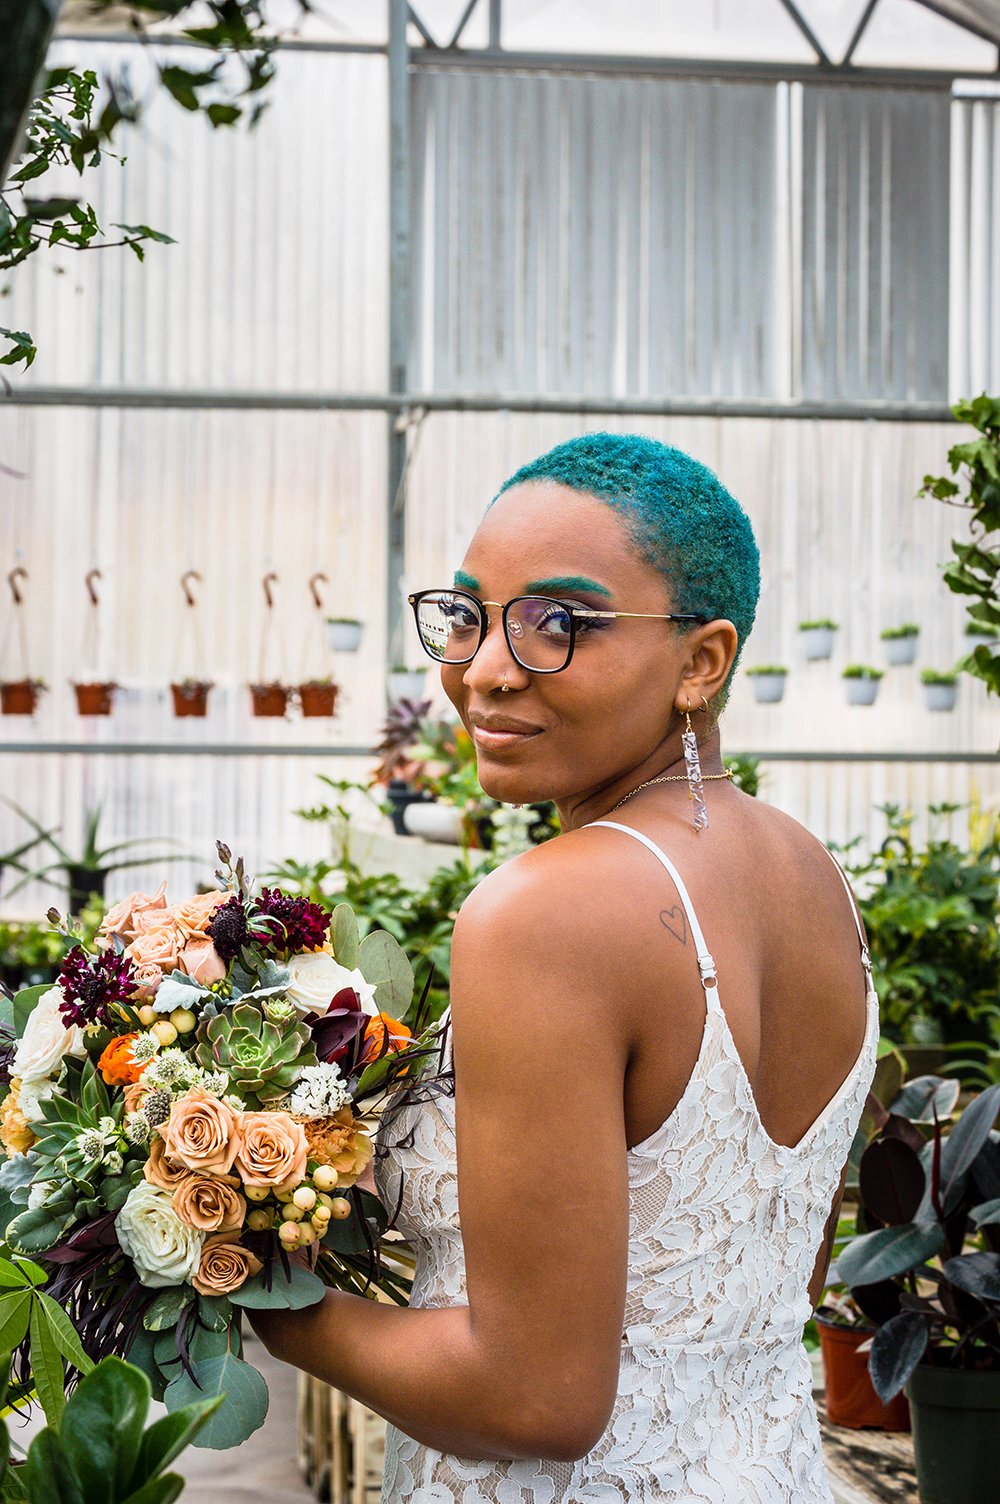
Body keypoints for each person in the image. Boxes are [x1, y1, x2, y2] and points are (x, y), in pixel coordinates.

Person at [252, 432, 878, 1503]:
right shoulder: (810, 874)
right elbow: (754, 1271)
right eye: (468, 615)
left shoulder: (547, 912)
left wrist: (250, 1286)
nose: (487, 670)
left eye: (561, 624)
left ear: (701, 661)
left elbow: (533, 1400)